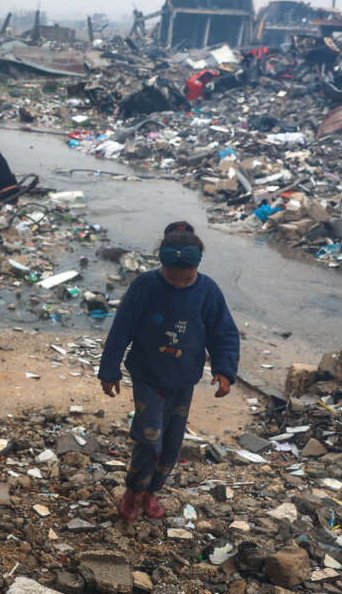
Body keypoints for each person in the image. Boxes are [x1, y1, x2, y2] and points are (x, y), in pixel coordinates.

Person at [97, 222, 240, 523]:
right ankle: (133, 492)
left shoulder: (208, 291)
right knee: (149, 438)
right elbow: (122, 328)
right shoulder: (145, 286)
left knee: (172, 444)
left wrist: (224, 370)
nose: (178, 284)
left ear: (197, 268)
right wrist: (109, 369)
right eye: (172, 278)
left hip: (184, 378)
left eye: (186, 279)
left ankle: (152, 492)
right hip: (147, 373)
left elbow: (223, 332)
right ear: (161, 265)